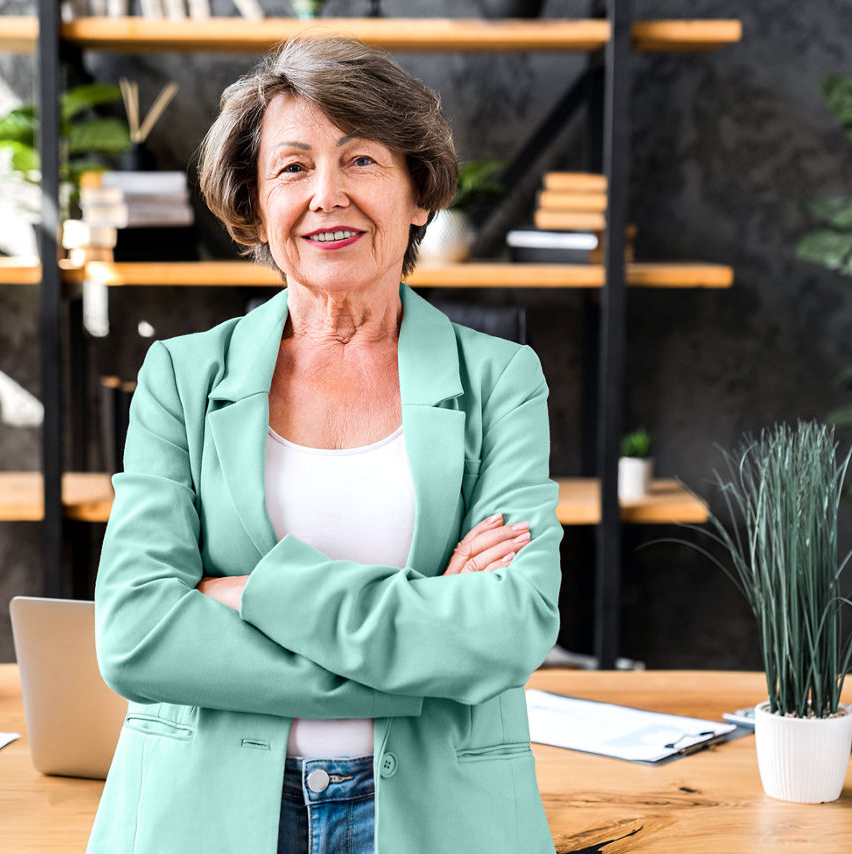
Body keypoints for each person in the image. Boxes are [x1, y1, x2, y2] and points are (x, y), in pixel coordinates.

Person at [89, 35, 562, 854]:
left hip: (440, 814)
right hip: (203, 813)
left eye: (362, 161)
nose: (327, 195)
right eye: (294, 167)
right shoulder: (181, 376)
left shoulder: (501, 380)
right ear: (256, 208)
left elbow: (510, 628)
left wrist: (248, 593)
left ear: (419, 195)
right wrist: (421, 650)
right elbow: (134, 634)